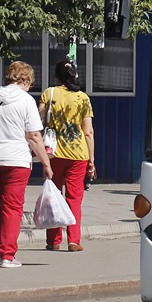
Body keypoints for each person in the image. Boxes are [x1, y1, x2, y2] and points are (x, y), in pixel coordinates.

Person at [0, 60, 53, 267]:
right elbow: (34, 136)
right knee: (12, 206)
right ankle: (7, 255)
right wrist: (46, 163)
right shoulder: (26, 101)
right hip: (16, 160)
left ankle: (0, 251)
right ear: (26, 80)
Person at [38, 60, 96, 252]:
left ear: (57, 76)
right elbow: (88, 132)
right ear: (75, 75)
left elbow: (38, 121)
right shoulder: (83, 98)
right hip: (78, 154)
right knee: (74, 198)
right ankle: (73, 240)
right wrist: (92, 160)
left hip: (52, 153)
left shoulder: (49, 93)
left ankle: (54, 241)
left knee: (53, 196)